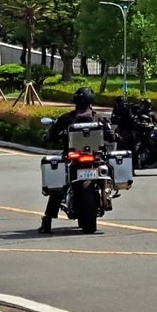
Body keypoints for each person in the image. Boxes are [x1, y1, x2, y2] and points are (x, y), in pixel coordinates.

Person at [40, 86, 109, 233]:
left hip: (73, 158)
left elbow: (51, 135)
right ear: (91, 101)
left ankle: (48, 219)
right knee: (106, 168)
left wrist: (48, 136)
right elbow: (111, 135)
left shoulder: (66, 118)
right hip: (94, 157)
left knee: (59, 185)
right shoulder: (99, 118)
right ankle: (106, 196)